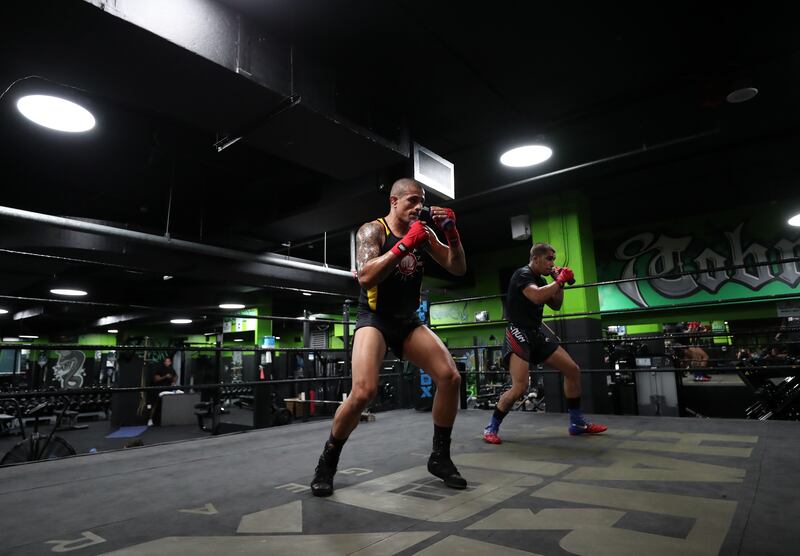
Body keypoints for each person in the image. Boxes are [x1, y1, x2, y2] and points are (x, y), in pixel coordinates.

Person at [310, 178, 467, 497]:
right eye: (411, 201)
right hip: (375, 318)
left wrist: (451, 233)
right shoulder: (373, 230)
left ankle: (440, 457)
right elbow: (366, 277)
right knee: (364, 391)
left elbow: (456, 267)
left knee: (450, 377)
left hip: (408, 321)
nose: (418, 207)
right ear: (394, 202)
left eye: (421, 201)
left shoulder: (423, 233)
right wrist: (405, 244)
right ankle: (328, 460)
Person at [482, 243, 607, 444]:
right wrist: (558, 280)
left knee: (572, 370)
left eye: (553, 260)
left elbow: (555, 304)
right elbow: (537, 296)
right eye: (549, 259)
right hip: (518, 332)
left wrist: (561, 284)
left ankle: (576, 423)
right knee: (520, 387)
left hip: (535, 334)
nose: (552, 263)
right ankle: (491, 427)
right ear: (536, 258)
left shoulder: (540, 279)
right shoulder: (522, 275)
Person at [148, 356, 177, 426]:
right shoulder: (160, 369)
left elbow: (175, 376)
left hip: (168, 389)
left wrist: (174, 382)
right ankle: (150, 420)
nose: (168, 363)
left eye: (169, 361)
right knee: (155, 404)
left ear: (170, 362)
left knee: (169, 404)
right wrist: (165, 376)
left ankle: (169, 420)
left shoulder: (172, 369)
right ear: (164, 362)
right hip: (159, 389)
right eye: (166, 361)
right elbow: (156, 379)